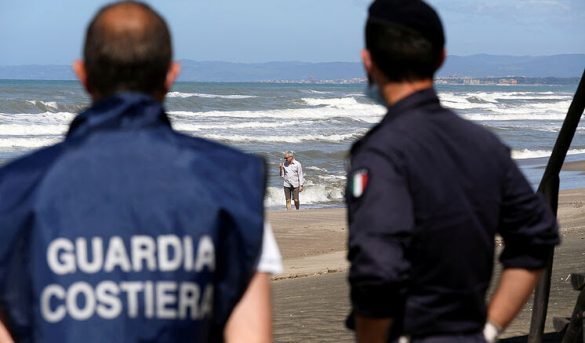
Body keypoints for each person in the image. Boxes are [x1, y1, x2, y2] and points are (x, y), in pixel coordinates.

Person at [0, 2, 281, 342]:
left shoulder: (14, 191)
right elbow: (250, 336)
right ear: (171, 75)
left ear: (82, 74)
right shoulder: (232, 184)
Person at [345, 1, 560, 342]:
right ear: (442, 58)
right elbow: (536, 236)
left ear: (368, 61)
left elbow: (377, 271)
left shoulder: (381, 152)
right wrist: (489, 329)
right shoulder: (484, 144)